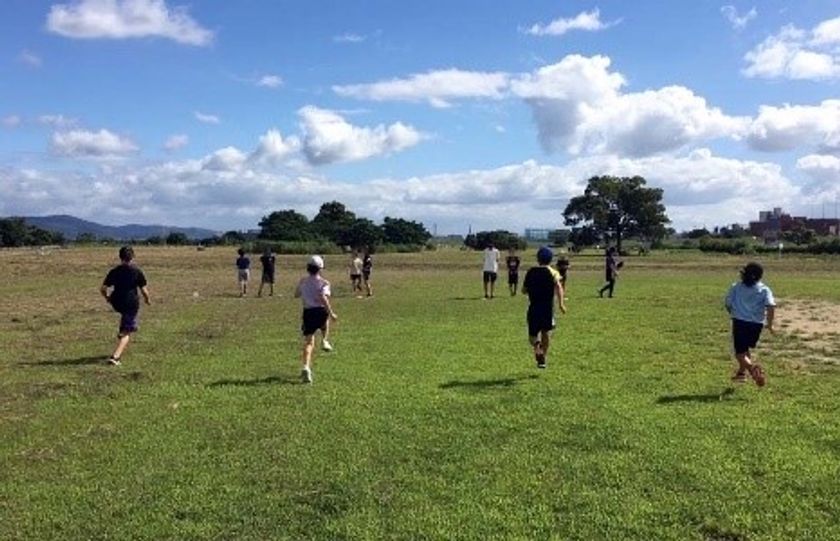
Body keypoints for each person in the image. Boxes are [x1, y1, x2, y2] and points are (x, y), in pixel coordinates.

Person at [725, 262, 775, 387]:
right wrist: (769, 324)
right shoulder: (764, 289)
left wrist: (732, 312)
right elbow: (771, 306)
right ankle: (741, 373)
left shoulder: (736, 287)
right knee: (745, 349)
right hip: (756, 325)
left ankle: (752, 369)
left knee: (739, 353)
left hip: (740, 322)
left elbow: (728, 303)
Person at [100, 246, 151, 366]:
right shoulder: (137, 271)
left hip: (117, 302)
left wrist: (107, 298)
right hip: (130, 303)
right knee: (127, 332)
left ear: (120, 257)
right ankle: (115, 357)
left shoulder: (114, 271)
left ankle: (126, 327)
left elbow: (103, 288)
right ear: (132, 257)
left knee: (126, 317)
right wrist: (147, 300)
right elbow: (144, 290)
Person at [294, 255, 338, 383]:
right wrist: (331, 313)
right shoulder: (324, 283)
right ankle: (325, 340)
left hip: (308, 312)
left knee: (309, 342)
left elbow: (296, 294)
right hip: (320, 310)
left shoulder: (303, 281)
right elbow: (324, 297)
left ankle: (306, 367)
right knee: (325, 323)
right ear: (320, 269)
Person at [522, 246, 566, 369]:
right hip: (547, 309)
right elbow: (559, 287)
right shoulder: (553, 272)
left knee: (532, 336)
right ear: (550, 259)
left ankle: (537, 345)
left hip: (533, 308)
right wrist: (561, 304)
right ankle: (543, 358)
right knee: (546, 332)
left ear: (538, 259)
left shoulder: (531, 272)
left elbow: (524, 290)